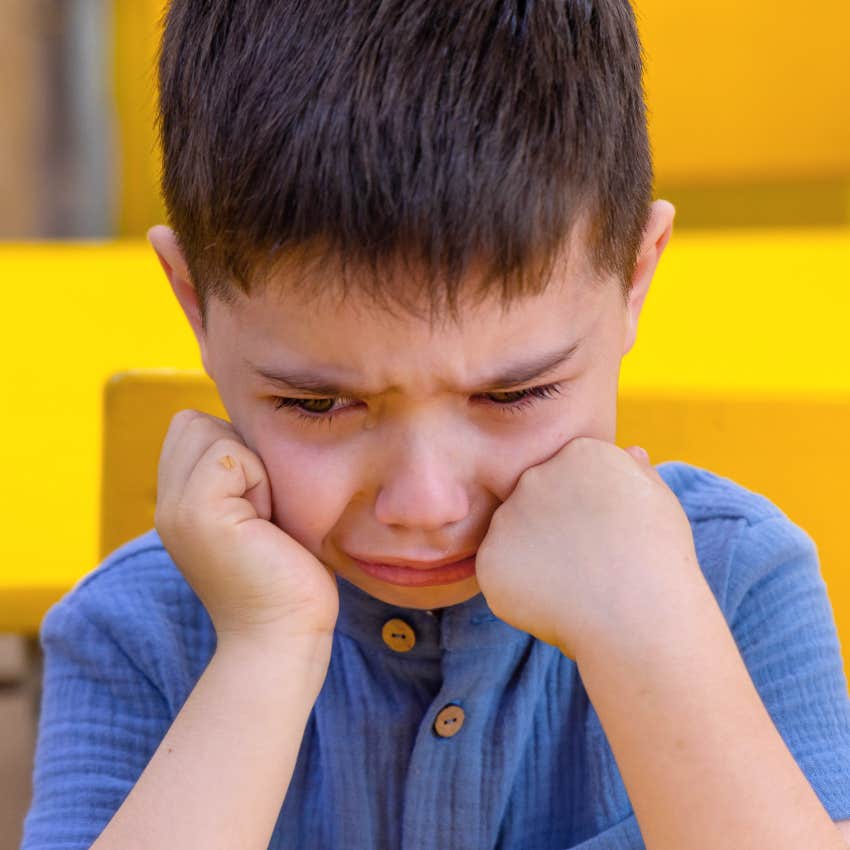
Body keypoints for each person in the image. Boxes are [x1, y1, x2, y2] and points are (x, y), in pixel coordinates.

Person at [20, 2, 850, 848]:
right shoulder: (137, 632)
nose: (423, 501)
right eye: (316, 404)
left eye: (514, 394)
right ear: (193, 301)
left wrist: (648, 633)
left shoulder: (735, 582)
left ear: (634, 279)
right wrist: (266, 650)